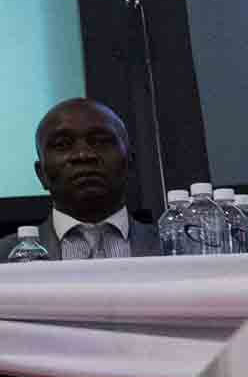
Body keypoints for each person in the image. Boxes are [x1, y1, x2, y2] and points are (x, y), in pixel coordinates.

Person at [32, 100, 159, 259]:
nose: (83, 155)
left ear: (129, 164)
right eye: (62, 144)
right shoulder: (5, 257)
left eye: (100, 141)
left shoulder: (186, 247)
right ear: (41, 174)